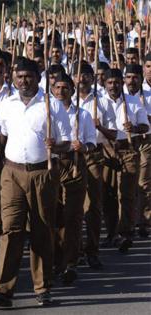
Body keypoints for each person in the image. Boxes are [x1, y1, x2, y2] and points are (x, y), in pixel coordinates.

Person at [0, 58, 71, 307]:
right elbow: (3, 135)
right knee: (10, 230)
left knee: (41, 230)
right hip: (11, 172)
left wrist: (56, 145)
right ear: (14, 78)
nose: (23, 81)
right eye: (19, 77)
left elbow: (66, 142)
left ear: (38, 78)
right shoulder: (7, 104)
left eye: (28, 76)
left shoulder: (52, 105)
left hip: (42, 173)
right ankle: (3, 290)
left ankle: (42, 288)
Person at [52, 72, 96, 284]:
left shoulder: (82, 115)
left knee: (73, 216)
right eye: (57, 88)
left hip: (75, 165)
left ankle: (70, 262)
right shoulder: (48, 112)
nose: (61, 92)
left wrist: (83, 146)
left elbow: (92, 143)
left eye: (65, 88)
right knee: (55, 215)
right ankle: (56, 260)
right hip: (52, 165)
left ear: (72, 90)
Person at [73, 62, 117, 269]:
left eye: (86, 75)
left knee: (93, 206)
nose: (81, 79)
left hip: (94, 155)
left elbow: (114, 133)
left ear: (93, 78)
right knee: (73, 206)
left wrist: (99, 126)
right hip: (70, 156)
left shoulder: (102, 102)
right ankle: (75, 250)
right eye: (78, 75)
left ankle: (92, 250)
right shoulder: (64, 100)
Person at [102, 68, 149, 252]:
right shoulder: (100, 102)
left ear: (121, 83)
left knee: (126, 194)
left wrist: (135, 128)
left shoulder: (133, 101)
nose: (113, 86)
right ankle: (111, 233)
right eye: (109, 82)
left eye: (116, 82)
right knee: (108, 195)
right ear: (104, 84)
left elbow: (145, 126)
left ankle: (125, 233)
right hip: (106, 151)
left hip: (128, 149)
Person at [123, 64, 151, 237]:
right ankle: (126, 222)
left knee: (144, 182)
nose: (132, 81)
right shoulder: (120, 96)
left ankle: (144, 220)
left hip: (146, 141)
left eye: (135, 77)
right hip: (126, 143)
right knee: (127, 184)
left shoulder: (147, 94)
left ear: (140, 79)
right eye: (129, 77)